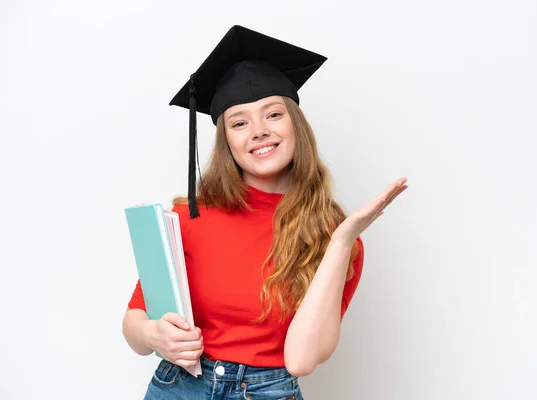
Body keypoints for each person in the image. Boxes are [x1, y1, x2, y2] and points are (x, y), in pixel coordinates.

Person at [122, 25, 408, 399]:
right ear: (228, 142)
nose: (257, 131)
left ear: (295, 125)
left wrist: (339, 243)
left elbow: (301, 361)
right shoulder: (190, 218)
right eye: (239, 122)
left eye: (273, 115)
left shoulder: (334, 237)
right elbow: (136, 320)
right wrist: (152, 334)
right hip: (178, 388)